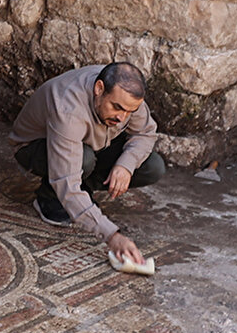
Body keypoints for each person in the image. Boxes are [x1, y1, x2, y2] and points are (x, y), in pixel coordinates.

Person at [9, 61, 166, 269]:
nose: (122, 118)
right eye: (117, 108)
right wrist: (112, 236)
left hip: (92, 144)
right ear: (99, 89)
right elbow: (68, 184)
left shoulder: (126, 95)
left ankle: (86, 188)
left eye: (130, 111)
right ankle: (49, 197)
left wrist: (125, 165)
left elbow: (145, 133)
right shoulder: (68, 109)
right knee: (84, 160)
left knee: (152, 166)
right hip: (35, 147)